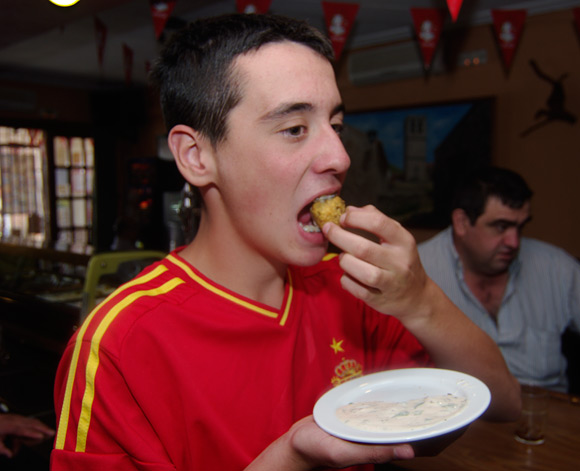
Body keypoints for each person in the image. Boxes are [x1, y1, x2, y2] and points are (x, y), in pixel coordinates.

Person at [51, 14, 520, 471]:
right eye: (294, 129)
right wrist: (291, 458)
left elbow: (502, 400)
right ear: (197, 157)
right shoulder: (118, 346)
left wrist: (421, 300)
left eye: (335, 126)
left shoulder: (351, 287)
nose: (339, 157)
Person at [418, 166, 580, 393]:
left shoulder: (558, 269)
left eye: (520, 227)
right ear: (462, 222)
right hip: (457, 412)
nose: (514, 242)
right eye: (501, 227)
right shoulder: (418, 271)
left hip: (545, 413)